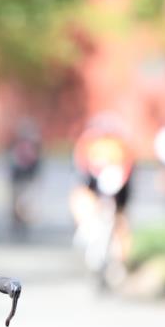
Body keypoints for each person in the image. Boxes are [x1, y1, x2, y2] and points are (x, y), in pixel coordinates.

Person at [69, 113, 136, 270]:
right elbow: (81, 171)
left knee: (120, 219)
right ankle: (87, 231)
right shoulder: (88, 144)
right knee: (84, 202)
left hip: (117, 185)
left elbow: (128, 170)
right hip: (93, 184)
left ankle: (120, 260)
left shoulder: (121, 147)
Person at [7, 118, 42, 239]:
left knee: (26, 203)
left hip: (28, 177)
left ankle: (24, 224)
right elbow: (11, 160)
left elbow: (37, 162)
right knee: (15, 203)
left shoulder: (34, 146)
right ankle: (16, 224)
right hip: (17, 178)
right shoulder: (16, 144)